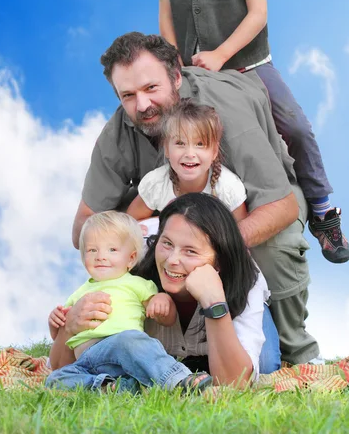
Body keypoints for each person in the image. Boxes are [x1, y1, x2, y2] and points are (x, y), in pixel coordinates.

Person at [146, 0, 349, 265]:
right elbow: (167, 14)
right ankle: (155, 223)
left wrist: (222, 54)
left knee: (294, 123)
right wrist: (173, 64)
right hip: (193, 71)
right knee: (161, 125)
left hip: (248, 65)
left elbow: (258, 14)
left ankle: (324, 209)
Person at [72, 31, 319, 365]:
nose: (142, 105)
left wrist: (209, 246)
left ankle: (295, 347)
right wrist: (145, 244)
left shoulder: (225, 116)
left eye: (151, 88)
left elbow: (283, 205)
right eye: (127, 95)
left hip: (265, 199)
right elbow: (85, 226)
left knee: (274, 246)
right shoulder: (118, 134)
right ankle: (134, 332)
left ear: (176, 75)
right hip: (169, 222)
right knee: (111, 235)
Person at [53, 193, 281, 385]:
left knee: (265, 363)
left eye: (190, 251)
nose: (172, 260)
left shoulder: (245, 280)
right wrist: (69, 327)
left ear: (218, 261)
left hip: (228, 300)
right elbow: (61, 367)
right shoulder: (130, 262)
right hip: (149, 347)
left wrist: (214, 302)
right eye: (167, 243)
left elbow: (235, 383)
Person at [46, 211, 212, 393]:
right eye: (92, 250)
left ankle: (179, 380)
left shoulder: (136, 284)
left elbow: (167, 319)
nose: (100, 256)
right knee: (55, 379)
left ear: (131, 258)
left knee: (131, 340)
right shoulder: (79, 293)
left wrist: (162, 301)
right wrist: (56, 322)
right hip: (86, 360)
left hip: (123, 350)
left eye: (112, 250)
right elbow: (61, 335)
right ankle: (112, 387)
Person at [127, 99, 248, 223]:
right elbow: (131, 221)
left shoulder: (228, 188)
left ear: (214, 151)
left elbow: (240, 235)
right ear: (167, 149)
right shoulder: (156, 184)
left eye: (200, 144)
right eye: (180, 143)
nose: (190, 154)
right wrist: (166, 223)